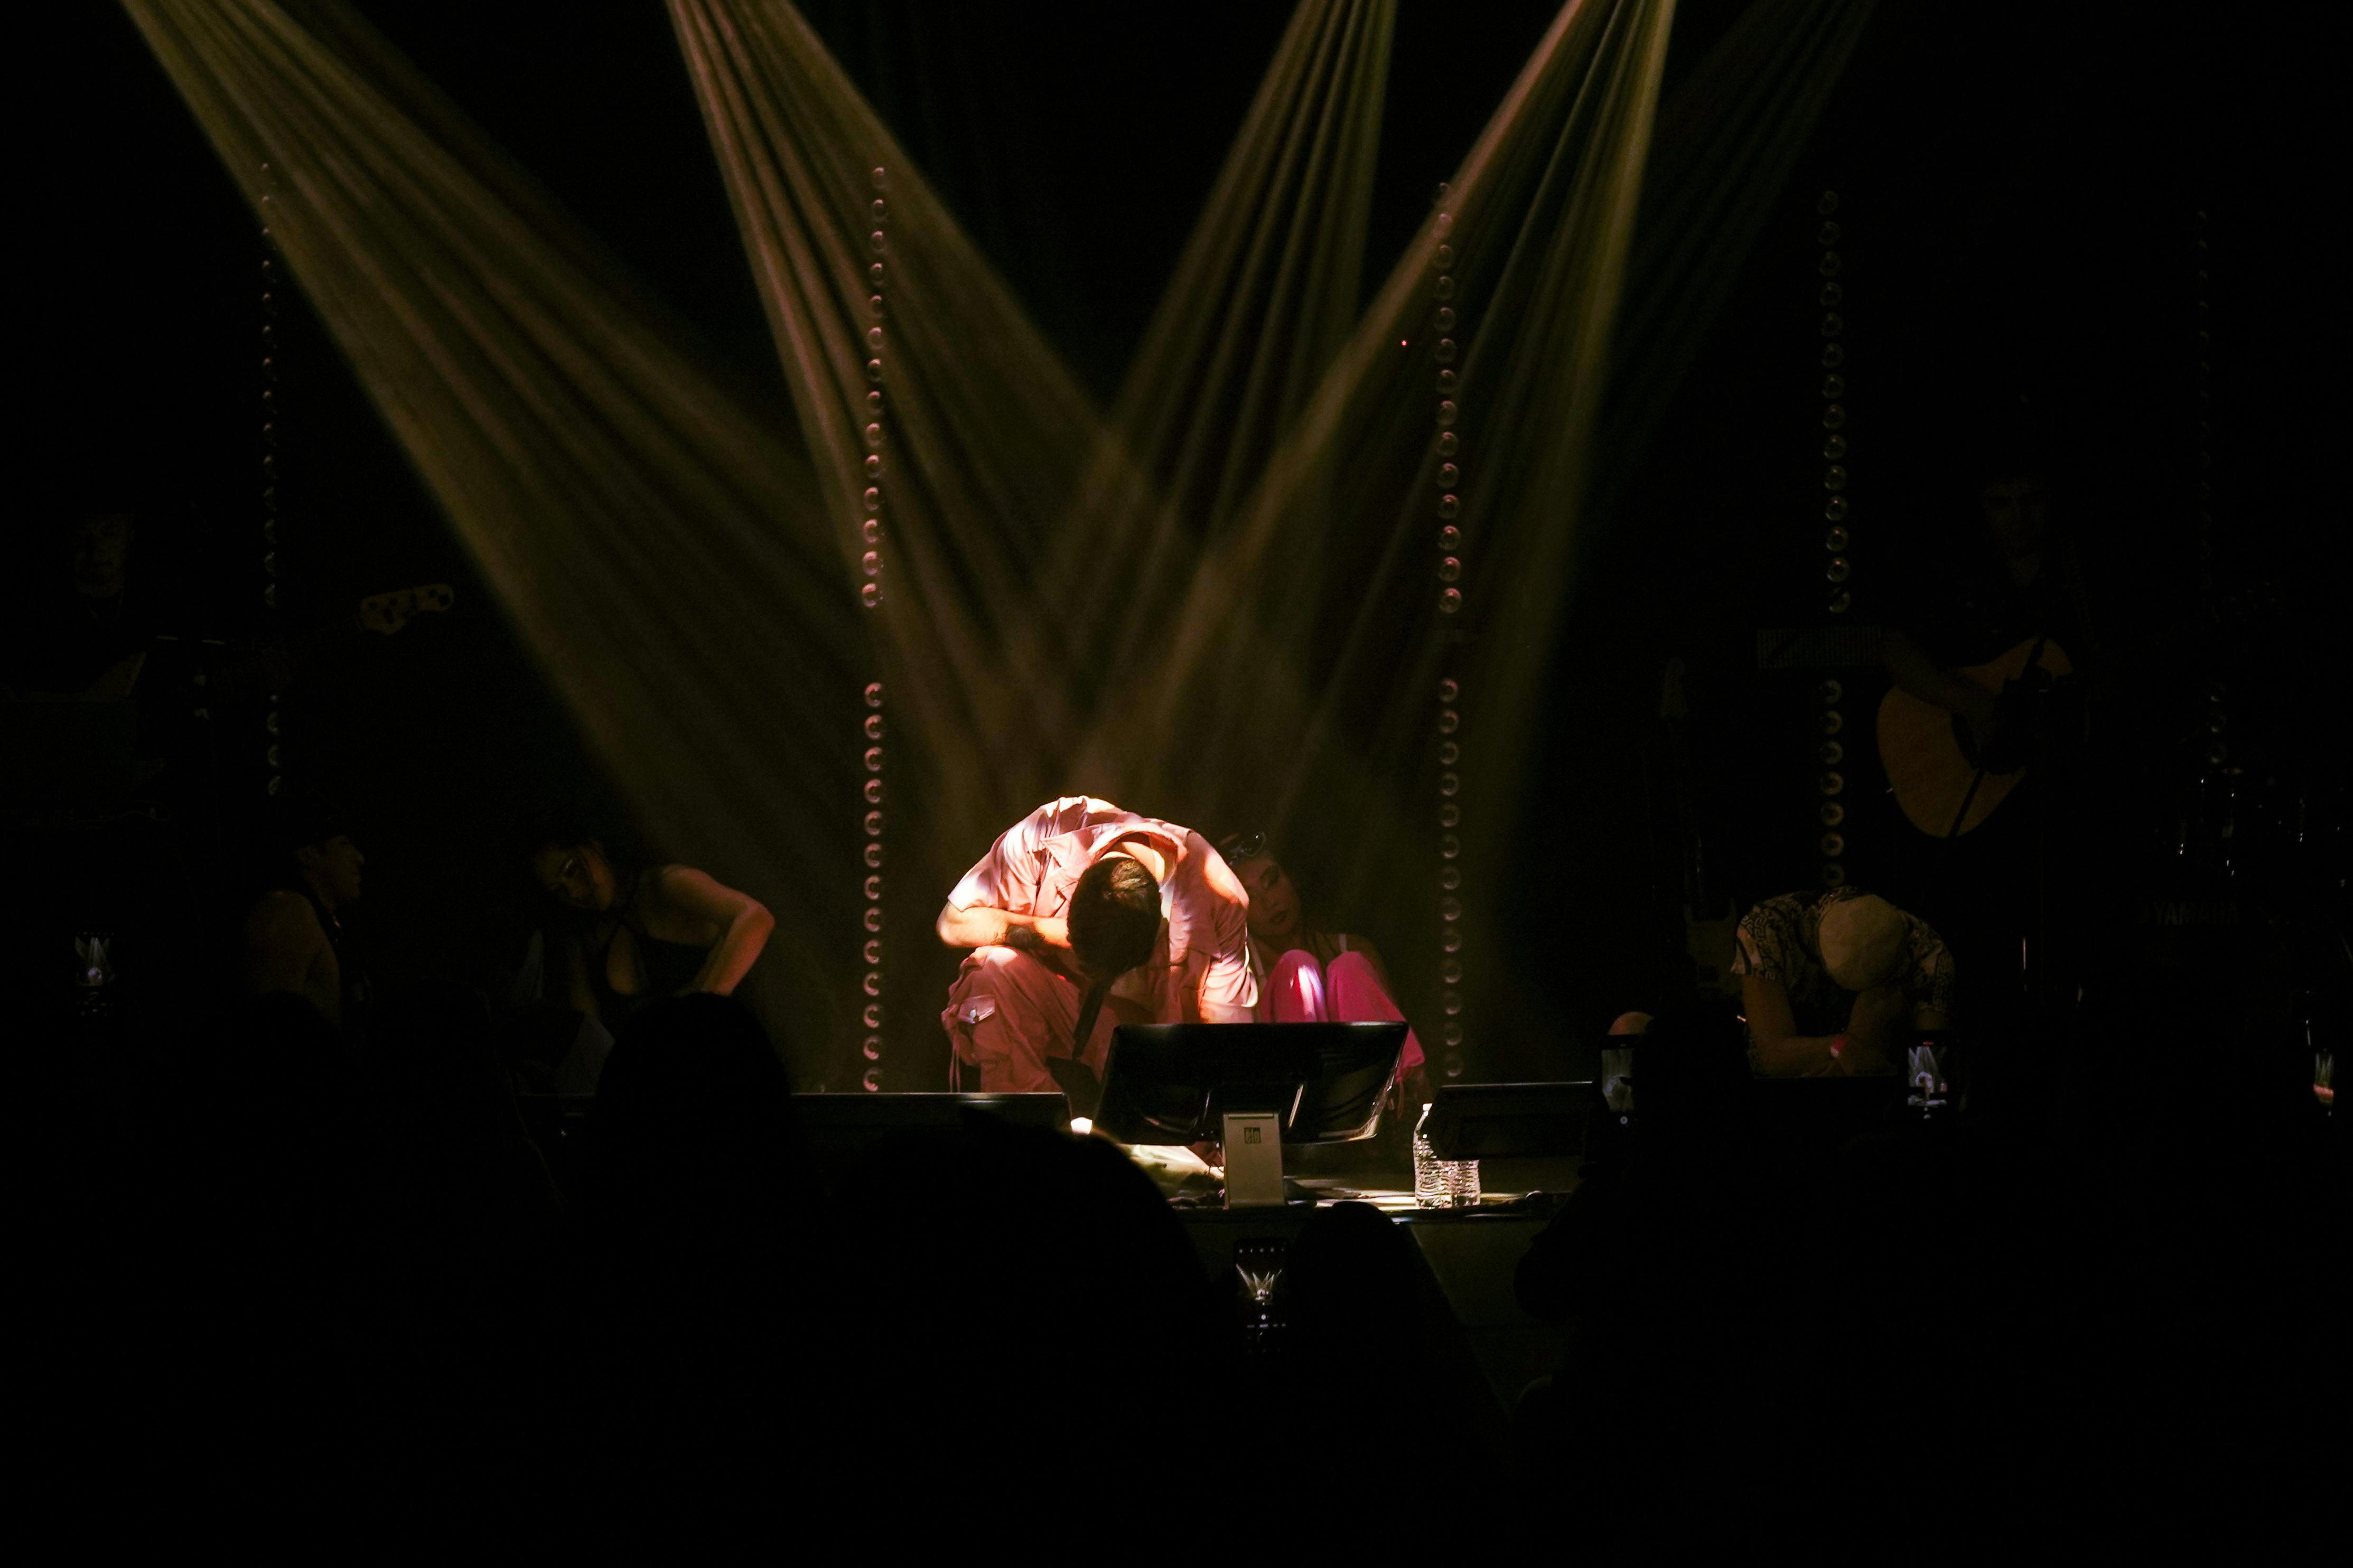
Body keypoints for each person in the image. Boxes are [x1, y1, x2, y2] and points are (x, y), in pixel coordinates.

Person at [937, 796, 1255, 1097]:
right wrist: (1057, 934)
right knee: (993, 970)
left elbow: (1227, 1043)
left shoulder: (1218, 897)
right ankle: (1036, 1130)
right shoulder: (1049, 833)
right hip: (1066, 999)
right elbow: (952, 925)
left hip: (1150, 1035)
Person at [524, 815, 773, 1036]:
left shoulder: (664, 887)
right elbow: (592, 1040)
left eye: (572, 869)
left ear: (593, 844)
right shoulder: (583, 944)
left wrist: (703, 1004)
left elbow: (755, 918)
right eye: (559, 891)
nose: (575, 892)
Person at [1216, 830, 1424, 1084]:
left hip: (1368, 1091)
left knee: (1350, 966)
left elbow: (1398, 1036)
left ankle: (1388, 1097)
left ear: (1292, 880)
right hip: (1286, 1096)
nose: (1270, 903)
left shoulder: (1354, 948)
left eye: (1272, 882)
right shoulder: (1238, 977)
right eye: (1250, 897)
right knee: (1297, 967)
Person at [1731, 887, 1952, 1076]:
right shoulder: (1767, 929)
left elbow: (1929, 1074)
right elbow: (1772, 1054)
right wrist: (1840, 1046)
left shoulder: (1926, 950)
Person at [238, 798, 369, 1028]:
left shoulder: (324, 925)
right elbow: (266, 1027)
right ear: (308, 854)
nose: (360, 858)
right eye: (345, 844)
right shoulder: (288, 911)